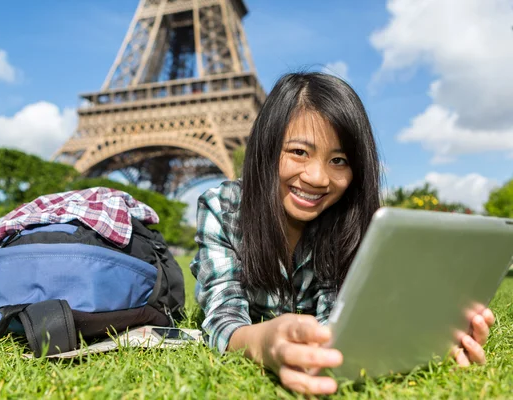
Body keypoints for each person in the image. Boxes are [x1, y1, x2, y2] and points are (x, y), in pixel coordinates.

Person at [189, 72, 495, 396]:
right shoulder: (223, 209)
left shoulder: (355, 223)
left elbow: (340, 326)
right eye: (299, 152)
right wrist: (262, 342)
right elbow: (224, 318)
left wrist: (430, 340)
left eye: (338, 160)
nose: (318, 178)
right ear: (267, 148)